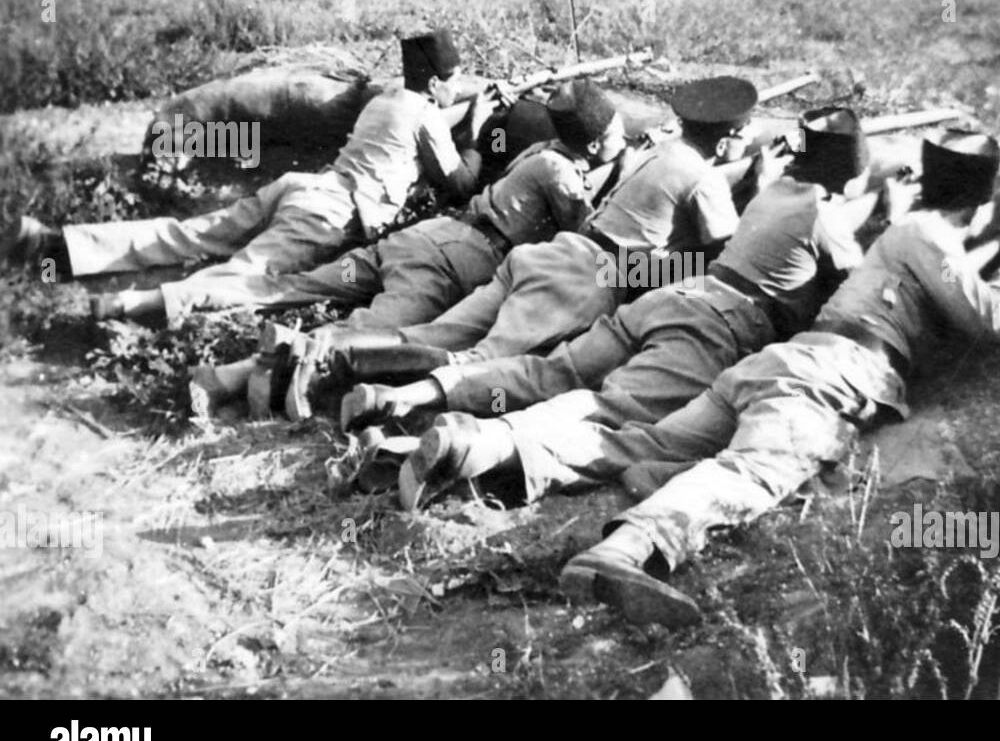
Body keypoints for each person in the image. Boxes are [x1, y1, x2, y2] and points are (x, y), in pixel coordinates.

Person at [409, 131, 1000, 627]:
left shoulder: (895, 233)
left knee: (636, 439)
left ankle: (488, 444)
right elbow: (989, 317)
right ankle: (632, 548)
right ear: (982, 200)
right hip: (825, 380)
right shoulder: (928, 233)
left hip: (772, 363)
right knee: (747, 475)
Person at [343, 107, 891, 499]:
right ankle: (477, 442)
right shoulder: (825, 215)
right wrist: (883, 212)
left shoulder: (769, 189)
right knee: (613, 418)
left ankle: (407, 402)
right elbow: (850, 284)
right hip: (711, 320)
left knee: (546, 371)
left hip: (661, 296)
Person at [280, 76, 752, 422]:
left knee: (436, 335)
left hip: (544, 257)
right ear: (730, 139)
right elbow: (721, 259)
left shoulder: (659, 153)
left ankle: (314, 348)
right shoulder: (704, 178)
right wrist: (758, 182)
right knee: (483, 364)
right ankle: (384, 395)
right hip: (586, 274)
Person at [187, 82, 620, 413]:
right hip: (448, 263)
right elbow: (585, 233)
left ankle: (179, 297)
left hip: (421, 237)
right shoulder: (561, 173)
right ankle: (229, 377)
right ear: (597, 145)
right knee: (374, 335)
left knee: (294, 286)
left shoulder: (540, 152)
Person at [6, 31, 491, 322]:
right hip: (331, 213)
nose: (456, 88)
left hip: (303, 188)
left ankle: (58, 244)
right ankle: (132, 305)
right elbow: (460, 184)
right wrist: (472, 132)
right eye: (452, 80)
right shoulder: (427, 115)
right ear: (433, 83)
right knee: (248, 277)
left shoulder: (385, 99)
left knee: (191, 233)